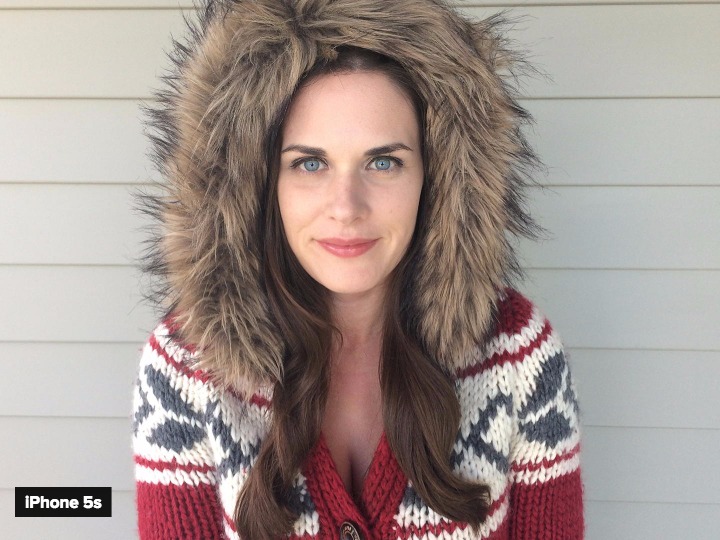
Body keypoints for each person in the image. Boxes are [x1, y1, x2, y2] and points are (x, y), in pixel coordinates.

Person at [132, 1, 584, 539]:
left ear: (436, 179)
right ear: (261, 184)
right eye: (310, 163)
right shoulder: (187, 367)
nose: (346, 207)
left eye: (383, 162)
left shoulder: (519, 356)